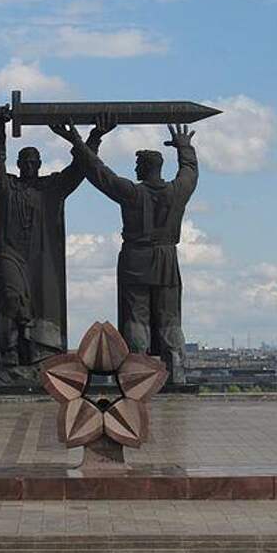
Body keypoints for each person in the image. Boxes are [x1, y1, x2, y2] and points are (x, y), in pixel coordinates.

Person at [50, 116, 198, 383]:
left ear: (145, 167)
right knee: (170, 318)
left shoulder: (133, 193)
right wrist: (184, 147)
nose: (135, 169)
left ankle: (136, 375)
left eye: (138, 165)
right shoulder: (176, 192)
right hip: (166, 260)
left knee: (136, 318)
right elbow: (190, 172)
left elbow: (99, 172)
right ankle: (176, 373)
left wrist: (77, 141)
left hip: (136, 261)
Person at [0, 108, 108, 378]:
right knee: (11, 299)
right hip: (10, 255)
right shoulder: (6, 187)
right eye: (25, 161)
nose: (29, 165)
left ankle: (35, 358)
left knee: (40, 309)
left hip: (41, 260)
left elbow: (79, 169)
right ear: (18, 164)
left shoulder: (52, 187)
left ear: (40, 164)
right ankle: (9, 356)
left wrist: (95, 137)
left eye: (33, 161)